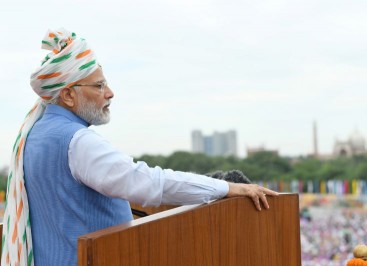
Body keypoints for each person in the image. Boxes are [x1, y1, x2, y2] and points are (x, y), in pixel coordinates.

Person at [1, 28, 278, 266]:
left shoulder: (34, 134)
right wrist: (229, 188)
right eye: (99, 86)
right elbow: (148, 182)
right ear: (69, 95)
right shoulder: (78, 141)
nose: (110, 93)